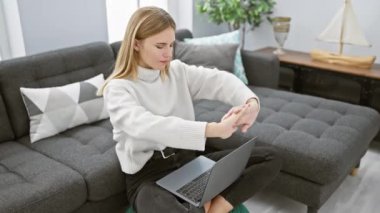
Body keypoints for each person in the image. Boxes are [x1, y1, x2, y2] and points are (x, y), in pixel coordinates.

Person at [98, 6, 282, 213]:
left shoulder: (177, 71)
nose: (168, 53)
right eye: (160, 46)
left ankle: (215, 209)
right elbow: (148, 125)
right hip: (148, 178)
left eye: (171, 45)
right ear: (136, 44)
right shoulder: (118, 88)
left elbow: (218, 80)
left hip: (189, 165)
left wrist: (250, 102)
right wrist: (212, 129)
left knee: (271, 157)